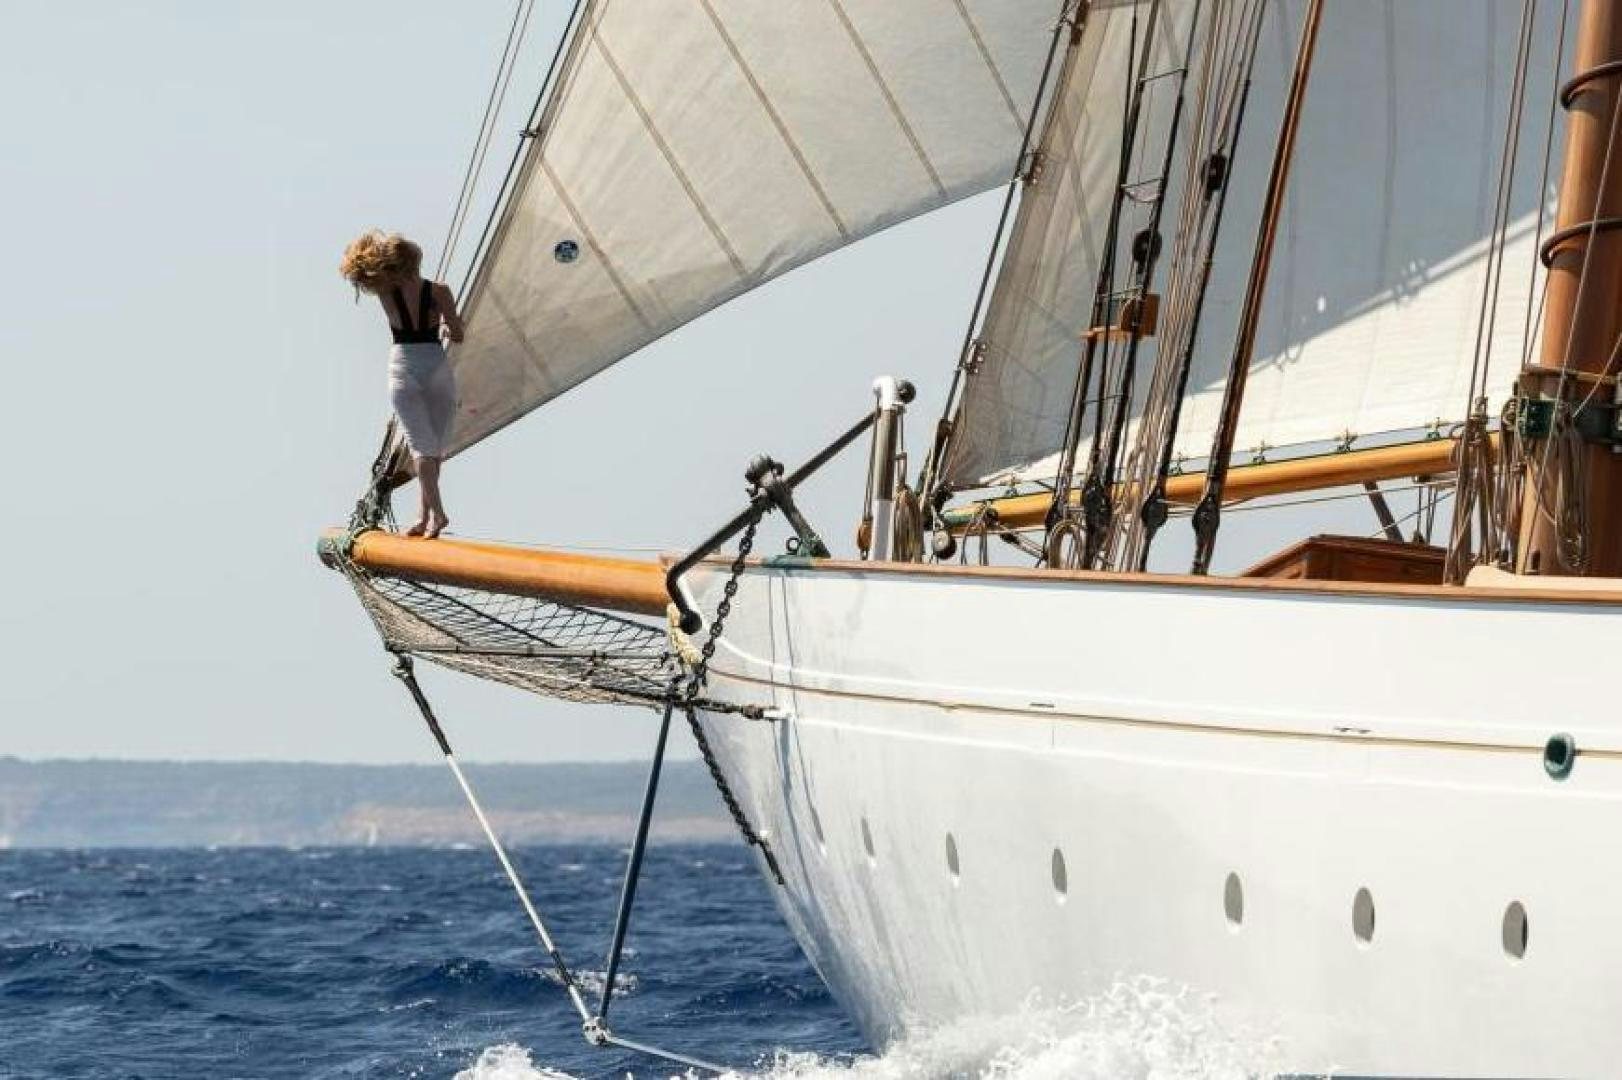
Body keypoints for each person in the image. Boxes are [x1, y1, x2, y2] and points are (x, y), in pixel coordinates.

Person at [340, 230, 465, 537]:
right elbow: (459, 334)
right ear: (416, 261)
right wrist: (449, 328)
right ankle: (433, 516)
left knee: (421, 447)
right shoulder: (439, 291)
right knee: (432, 449)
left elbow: (360, 273)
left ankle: (428, 517)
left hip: (403, 368)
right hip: (435, 366)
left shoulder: (385, 291)